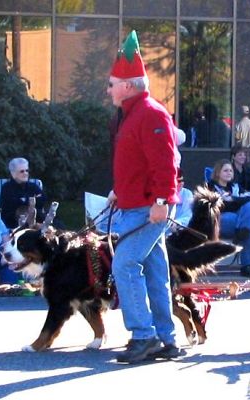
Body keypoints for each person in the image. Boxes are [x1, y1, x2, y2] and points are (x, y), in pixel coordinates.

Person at [105, 31, 184, 363]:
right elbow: (139, 163)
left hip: (147, 208)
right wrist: (118, 192)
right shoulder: (135, 114)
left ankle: (143, 335)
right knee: (154, 272)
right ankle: (167, 338)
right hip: (137, 204)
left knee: (124, 265)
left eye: (111, 84)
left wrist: (163, 202)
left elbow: (165, 162)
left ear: (127, 85)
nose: (108, 89)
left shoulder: (150, 113)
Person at [206, 159, 250, 277]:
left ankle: (242, 231)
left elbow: (249, 199)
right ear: (217, 173)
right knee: (243, 222)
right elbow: (215, 206)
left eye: (231, 170)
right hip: (218, 222)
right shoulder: (210, 187)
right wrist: (232, 201)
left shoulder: (235, 187)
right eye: (225, 170)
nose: (229, 173)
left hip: (237, 221)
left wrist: (233, 199)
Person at [0, 157, 47, 230]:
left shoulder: (33, 186)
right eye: (22, 171)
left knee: (56, 223)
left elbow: (42, 200)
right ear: (13, 173)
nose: (25, 173)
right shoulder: (6, 188)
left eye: (27, 171)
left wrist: (22, 201)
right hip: (13, 222)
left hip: (36, 220)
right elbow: (9, 205)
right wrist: (31, 201)